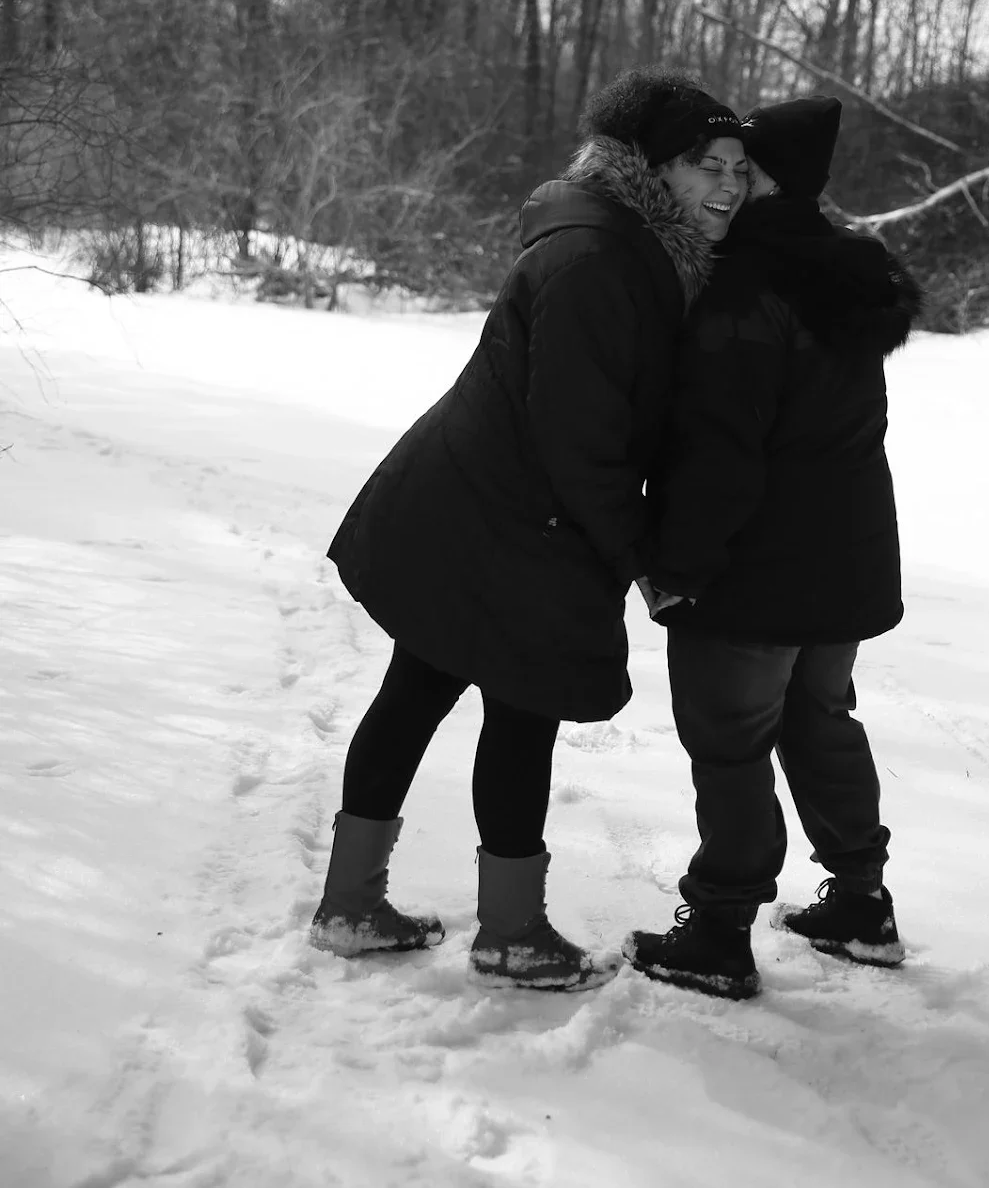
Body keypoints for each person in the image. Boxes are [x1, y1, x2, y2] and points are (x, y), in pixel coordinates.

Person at [312, 69, 748, 990]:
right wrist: (642, 557)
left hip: (484, 504)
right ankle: (505, 930)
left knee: (429, 692)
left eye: (739, 168)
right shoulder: (601, 261)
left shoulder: (624, 246)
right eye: (704, 164)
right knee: (519, 707)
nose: (727, 185)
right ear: (648, 169)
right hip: (506, 513)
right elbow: (580, 435)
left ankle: (355, 905)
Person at [623, 95, 921, 1000]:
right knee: (819, 723)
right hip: (844, 562)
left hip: (756, 571)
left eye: (744, 170)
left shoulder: (749, 288)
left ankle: (718, 929)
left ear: (773, 183)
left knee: (731, 742)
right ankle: (862, 903)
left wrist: (676, 567)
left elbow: (721, 453)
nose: (726, 183)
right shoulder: (841, 276)